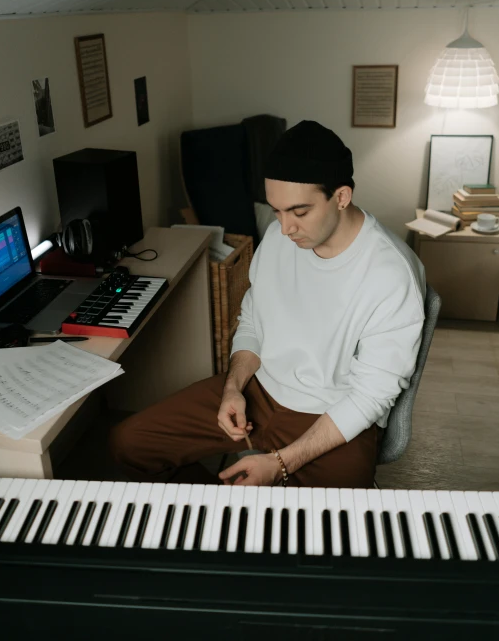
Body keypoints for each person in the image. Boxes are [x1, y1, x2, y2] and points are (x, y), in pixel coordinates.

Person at [110, 121, 426, 488]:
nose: (285, 227)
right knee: (129, 444)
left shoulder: (391, 274)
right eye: (276, 211)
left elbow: (371, 396)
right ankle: (224, 514)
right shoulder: (278, 238)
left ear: (341, 197)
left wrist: (280, 463)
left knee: (337, 522)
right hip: (257, 392)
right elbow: (252, 322)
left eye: (299, 212)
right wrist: (233, 388)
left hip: (331, 413)